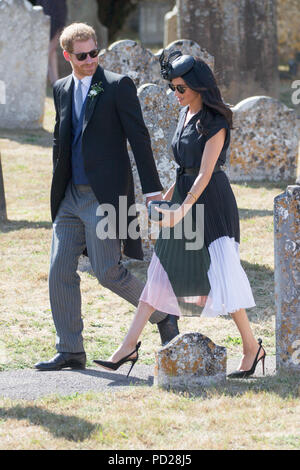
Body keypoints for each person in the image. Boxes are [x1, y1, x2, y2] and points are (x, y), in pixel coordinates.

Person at [94, 51, 266, 379]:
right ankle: (128, 345)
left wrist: (181, 210)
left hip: (211, 204)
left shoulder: (216, 121)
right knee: (160, 270)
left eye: (181, 88)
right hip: (185, 202)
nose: (176, 94)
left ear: (198, 86)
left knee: (222, 273)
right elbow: (183, 170)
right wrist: (165, 202)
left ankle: (251, 347)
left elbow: (204, 173)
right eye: (173, 88)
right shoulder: (184, 113)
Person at [34, 24, 179, 371]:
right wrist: (57, 189)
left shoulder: (117, 86)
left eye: (94, 53)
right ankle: (70, 349)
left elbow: (139, 139)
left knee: (108, 271)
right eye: (81, 55)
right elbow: (61, 140)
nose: (89, 60)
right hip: (69, 197)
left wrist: (152, 191)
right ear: (67, 56)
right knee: (58, 271)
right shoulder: (61, 88)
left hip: (103, 199)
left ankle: (163, 314)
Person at [36, 0, 68, 85]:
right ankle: (52, 80)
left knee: (50, 51)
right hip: (47, 18)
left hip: (54, 21)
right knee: (50, 51)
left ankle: (53, 81)